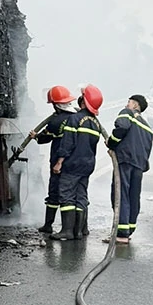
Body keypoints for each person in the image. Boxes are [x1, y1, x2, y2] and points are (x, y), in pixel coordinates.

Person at [50, 85, 105, 241]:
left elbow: (67, 143)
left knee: (66, 194)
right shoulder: (96, 123)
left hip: (72, 164)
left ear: (83, 101)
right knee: (81, 196)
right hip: (87, 166)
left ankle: (67, 231)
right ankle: (79, 231)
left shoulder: (74, 119)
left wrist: (59, 162)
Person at [104, 94, 153, 244]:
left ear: (136, 106)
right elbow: (147, 149)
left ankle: (122, 233)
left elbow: (122, 127)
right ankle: (129, 228)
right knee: (133, 196)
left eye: (129, 102)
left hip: (125, 160)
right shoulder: (147, 128)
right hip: (139, 165)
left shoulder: (128, 114)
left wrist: (111, 143)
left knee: (121, 194)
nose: (127, 105)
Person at [30, 85, 76, 235]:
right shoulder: (76, 118)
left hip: (58, 161)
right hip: (73, 162)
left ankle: (48, 225)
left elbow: (45, 138)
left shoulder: (55, 121)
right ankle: (78, 229)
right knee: (73, 193)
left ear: (56, 104)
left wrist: (35, 136)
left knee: (55, 193)